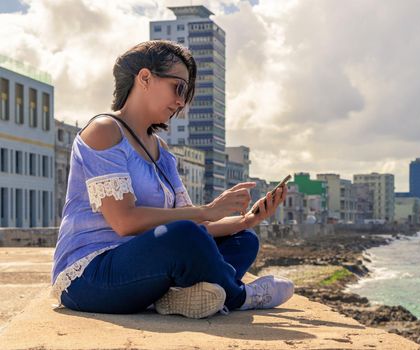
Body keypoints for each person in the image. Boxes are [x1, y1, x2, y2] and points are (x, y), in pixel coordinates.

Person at [51, 40, 294, 318]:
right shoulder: (104, 130)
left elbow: (196, 227)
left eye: (186, 92)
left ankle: (177, 297)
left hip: (141, 271)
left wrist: (247, 219)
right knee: (185, 233)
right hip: (92, 277)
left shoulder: (162, 151)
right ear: (145, 78)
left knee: (244, 239)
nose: (181, 101)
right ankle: (238, 295)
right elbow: (125, 222)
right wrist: (207, 210)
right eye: (178, 87)